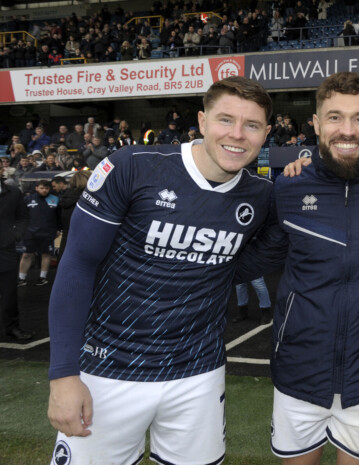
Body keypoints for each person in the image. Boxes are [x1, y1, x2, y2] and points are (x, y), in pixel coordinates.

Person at [46, 76, 275, 465]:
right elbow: (78, 264)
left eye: (251, 125)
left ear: (266, 134)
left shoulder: (261, 194)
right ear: (202, 121)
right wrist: (63, 373)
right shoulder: (133, 166)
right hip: (109, 367)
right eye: (225, 120)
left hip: (199, 373)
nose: (237, 134)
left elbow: (257, 256)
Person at [239, 71, 359, 465]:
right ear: (316, 123)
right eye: (334, 117)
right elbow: (260, 256)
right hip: (297, 372)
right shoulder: (289, 186)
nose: (347, 130)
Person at [0, 177, 30, 340]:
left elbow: (23, 217)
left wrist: (15, 235)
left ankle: (11, 327)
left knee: (9, 293)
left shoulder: (14, 193)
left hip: (6, 250)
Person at [18, 179, 59, 286]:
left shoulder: (55, 199)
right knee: (26, 255)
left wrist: (58, 229)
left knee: (46, 254)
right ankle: (21, 278)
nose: (44, 190)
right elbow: (22, 216)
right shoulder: (27, 199)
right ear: (36, 188)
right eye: (42, 188)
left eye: (46, 188)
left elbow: (59, 216)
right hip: (30, 232)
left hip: (48, 232)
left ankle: (43, 277)